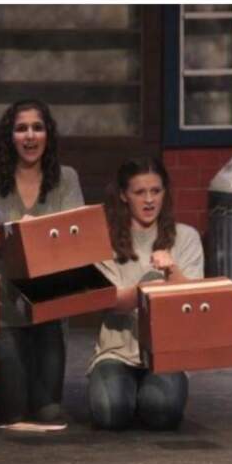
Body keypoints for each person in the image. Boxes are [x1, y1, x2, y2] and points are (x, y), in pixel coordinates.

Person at [0, 99, 85, 425]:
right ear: (10, 135)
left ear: (48, 134)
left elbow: (78, 240)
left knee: (48, 414)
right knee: (13, 412)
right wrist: (11, 236)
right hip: (5, 308)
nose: (30, 136)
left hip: (49, 305)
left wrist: (41, 236)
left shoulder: (66, 178)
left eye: (37, 127)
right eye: (21, 128)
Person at [87, 158, 202, 430]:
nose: (149, 200)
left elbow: (193, 300)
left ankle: (147, 393)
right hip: (117, 351)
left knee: (161, 413)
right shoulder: (103, 240)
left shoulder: (186, 237)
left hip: (167, 351)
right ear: (124, 196)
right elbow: (112, 301)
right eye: (140, 192)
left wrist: (171, 270)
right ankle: (124, 390)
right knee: (110, 414)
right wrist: (151, 286)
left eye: (156, 191)